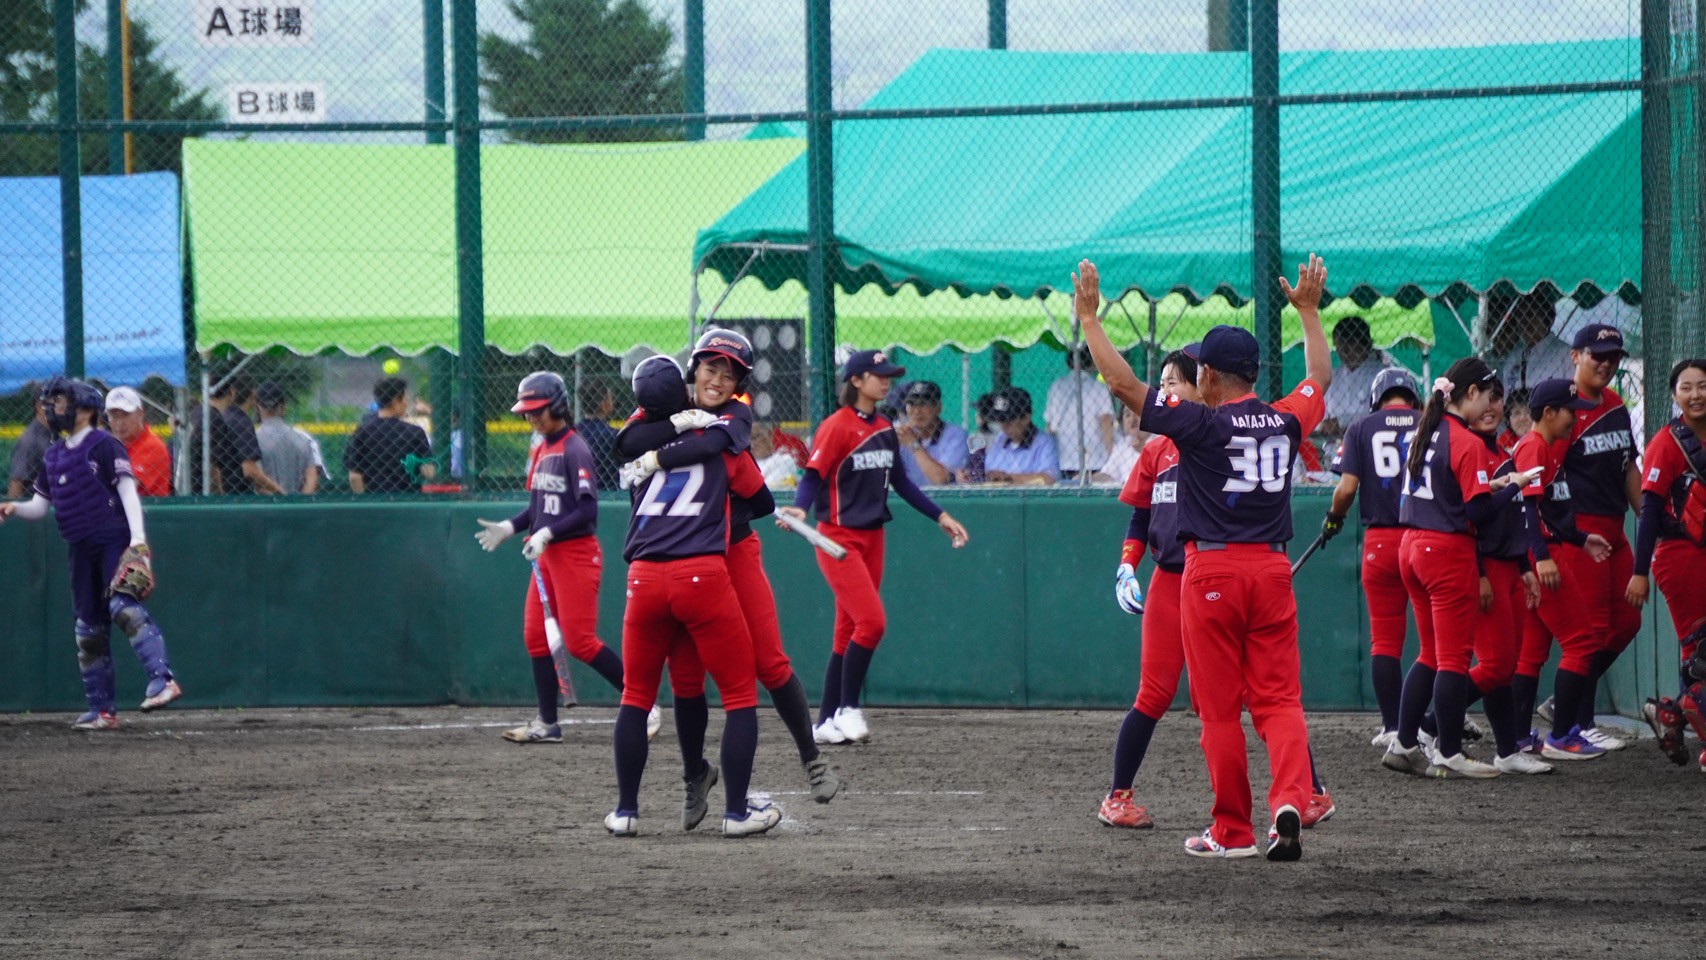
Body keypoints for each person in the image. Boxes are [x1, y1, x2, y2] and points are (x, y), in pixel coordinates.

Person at [1076, 254, 1330, 862]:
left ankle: (1233, 831)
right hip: (1273, 570)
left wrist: (1089, 320)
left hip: (1211, 571)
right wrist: (1308, 312)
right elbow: (1319, 376)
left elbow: (1123, 386)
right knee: (1280, 700)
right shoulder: (1286, 419)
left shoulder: (1200, 425)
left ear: (1209, 375)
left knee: (1218, 712)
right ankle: (1290, 801)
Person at [614, 330, 841, 810]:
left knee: (769, 662)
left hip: (731, 548)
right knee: (686, 677)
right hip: (685, 558)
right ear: (693, 370)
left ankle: (811, 755)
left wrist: (659, 456)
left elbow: (740, 474)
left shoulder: (735, 415)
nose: (717, 380)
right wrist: (679, 424)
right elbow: (627, 441)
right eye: (710, 368)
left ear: (740, 384)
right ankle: (694, 775)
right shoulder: (666, 407)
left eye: (729, 374)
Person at [604, 354, 782, 838]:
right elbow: (761, 499)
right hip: (700, 572)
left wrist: (662, 448)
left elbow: (628, 443)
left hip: (643, 578)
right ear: (688, 383)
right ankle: (736, 813)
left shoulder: (643, 441)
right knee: (740, 695)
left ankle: (626, 811)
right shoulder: (719, 436)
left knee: (635, 696)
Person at [777, 349, 969, 746]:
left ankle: (825, 722)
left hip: (872, 538)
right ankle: (847, 708)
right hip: (837, 539)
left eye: (888, 376)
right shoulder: (836, 426)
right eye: (878, 375)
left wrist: (940, 516)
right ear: (856, 381)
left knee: (846, 632)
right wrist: (799, 507)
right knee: (872, 622)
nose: (886, 381)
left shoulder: (884, 427)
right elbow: (813, 474)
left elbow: (902, 482)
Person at [474, 371, 657, 744]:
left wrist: (548, 532)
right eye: (527, 412)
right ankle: (547, 723)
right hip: (546, 556)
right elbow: (537, 507)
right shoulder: (541, 449)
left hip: (575, 554)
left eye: (538, 410)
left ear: (557, 406)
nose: (532, 418)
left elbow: (587, 511)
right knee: (535, 636)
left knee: (579, 642)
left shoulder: (575, 448)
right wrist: (510, 527)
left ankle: (646, 704)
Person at [0, 378, 181, 728]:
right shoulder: (54, 453)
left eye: (61, 402)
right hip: (79, 547)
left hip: (112, 537)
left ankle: (163, 680)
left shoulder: (104, 444)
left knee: (122, 605)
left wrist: (138, 542)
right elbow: (40, 506)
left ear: (85, 409)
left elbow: (128, 493)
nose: (53, 408)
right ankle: (102, 710)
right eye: (52, 402)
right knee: (88, 627)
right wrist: (14, 508)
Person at [1417, 378, 1553, 774]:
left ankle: (1507, 751)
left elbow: (1511, 517)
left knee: (1505, 665)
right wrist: (1478, 574)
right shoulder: (1465, 446)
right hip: (1483, 566)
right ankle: (1431, 727)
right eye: (1486, 399)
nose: (1492, 407)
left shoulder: (1500, 452)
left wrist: (1524, 567)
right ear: (1468, 399)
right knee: (1492, 665)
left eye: (1499, 400)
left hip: (1509, 564)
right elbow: (1468, 517)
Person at [1506, 378, 1612, 760]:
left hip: (1546, 549)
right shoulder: (1534, 445)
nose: (1575, 418)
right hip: (1543, 555)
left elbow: (1549, 511)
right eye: (1570, 411)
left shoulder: (1544, 447)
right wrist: (1542, 556)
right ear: (1549, 413)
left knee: (1532, 652)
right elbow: (1527, 508)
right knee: (1581, 642)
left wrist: (1581, 539)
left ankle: (1519, 737)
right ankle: (1562, 736)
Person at [1553, 324, 1642, 750]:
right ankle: (1579, 722)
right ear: (1576, 356)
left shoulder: (1615, 403)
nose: (1606, 364)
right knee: (1591, 630)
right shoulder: (1563, 408)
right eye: (1597, 355)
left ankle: (1565, 703)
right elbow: (1545, 472)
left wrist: (1649, 516)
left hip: (1615, 525)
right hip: (1582, 529)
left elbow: (1629, 466)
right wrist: (1564, 531)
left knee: (1626, 621)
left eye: (1613, 357)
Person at [1322, 367, 1421, 747]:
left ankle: (1393, 726)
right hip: (1425, 538)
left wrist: (1334, 518)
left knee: (1385, 641)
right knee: (1438, 643)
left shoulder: (1361, 427)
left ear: (1376, 398)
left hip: (1381, 542)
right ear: (1412, 396)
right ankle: (1435, 723)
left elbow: (1346, 489)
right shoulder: (1431, 422)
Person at [1627, 359, 1706, 767]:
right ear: (1674, 394)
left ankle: (1670, 714)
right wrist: (1639, 572)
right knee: (1700, 652)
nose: (1696, 395)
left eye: (1703, 385)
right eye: (1686, 387)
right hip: (1681, 556)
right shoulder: (1667, 441)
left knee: (1699, 656)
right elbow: (1650, 512)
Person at [345, 377, 434, 494]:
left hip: (374, 497)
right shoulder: (414, 432)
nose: (407, 403)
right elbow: (429, 472)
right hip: (408, 498)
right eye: (405, 399)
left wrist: (365, 500)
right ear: (395, 401)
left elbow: (354, 477)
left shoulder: (362, 431)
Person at [1046, 344, 1115, 480]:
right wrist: (1112, 457)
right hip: (1095, 459)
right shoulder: (1098, 388)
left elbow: (1049, 426)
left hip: (1063, 459)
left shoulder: (1057, 386)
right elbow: (1105, 422)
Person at [1320, 316, 1397, 435]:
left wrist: (1342, 422)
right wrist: (1324, 424)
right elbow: (1321, 417)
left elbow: (1386, 415)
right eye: (1340, 345)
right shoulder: (1332, 377)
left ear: (1365, 344)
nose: (1344, 351)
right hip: (1334, 443)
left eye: (1350, 344)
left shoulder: (1382, 375)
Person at [207, 378, 284, 495]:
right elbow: (249, 469)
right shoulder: (242, 422)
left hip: (223, 491)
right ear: (253, 394)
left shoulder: (223, 416)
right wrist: (279, 491)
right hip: (238, 495)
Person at [1490, 292, 1572, 394]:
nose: (1525, 321)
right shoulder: (1514, 356)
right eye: (1520, 315)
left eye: (1531, 314)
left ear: (1547, 318)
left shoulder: (1565, 354)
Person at [894, 380, 968, 486]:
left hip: (943, 496)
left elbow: (941, 480)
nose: (917, 411)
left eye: (923, 404)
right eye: (912, 404)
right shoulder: (898, 430)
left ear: (939, 407)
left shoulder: (956, 435)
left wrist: (913, 444)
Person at [104, 387, 172, 498]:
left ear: (140, 414)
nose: (120, 423)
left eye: (125, 415)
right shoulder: (112, 445)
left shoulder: (152, 445)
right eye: (113, 416)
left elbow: (124, 489)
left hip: (148, 508)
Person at [984, 387, 1060, 485]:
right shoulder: (1000, 439)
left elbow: (1049, 478)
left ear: (1026, 418)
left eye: (1009, 421)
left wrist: (1008, 478)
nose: (1004, 426)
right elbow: (989, 473)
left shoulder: (1044, 442)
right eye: (1001, 420)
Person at [254, 382, 319, 495]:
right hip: (297, 502)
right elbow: (311, 477)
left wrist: (277, 497)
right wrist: (299, 502)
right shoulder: (302, 438)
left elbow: (256, 479)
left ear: (258, 406)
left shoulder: (252, 439)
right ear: (284, 405)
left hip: (264, 503)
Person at [576, 380, 622, 491]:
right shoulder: (613, 435)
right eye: (610, 398)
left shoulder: (573, 432)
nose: (613, 401)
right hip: (608, 493)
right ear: (603, 404)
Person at [7, 389, 53, 498]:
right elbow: (16, 486)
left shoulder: (53, 434)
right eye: (55, 402)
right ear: (41, 406)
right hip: (35, 505)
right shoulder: (30, 440)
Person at [1092, 406, 1148, 484]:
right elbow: (1107, 474)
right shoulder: (1123, 446)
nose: (1132, 419)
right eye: (1127, 415)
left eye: (1137, 413)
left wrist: (1143, 450)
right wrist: (1088, 478)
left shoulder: (1160, 440)